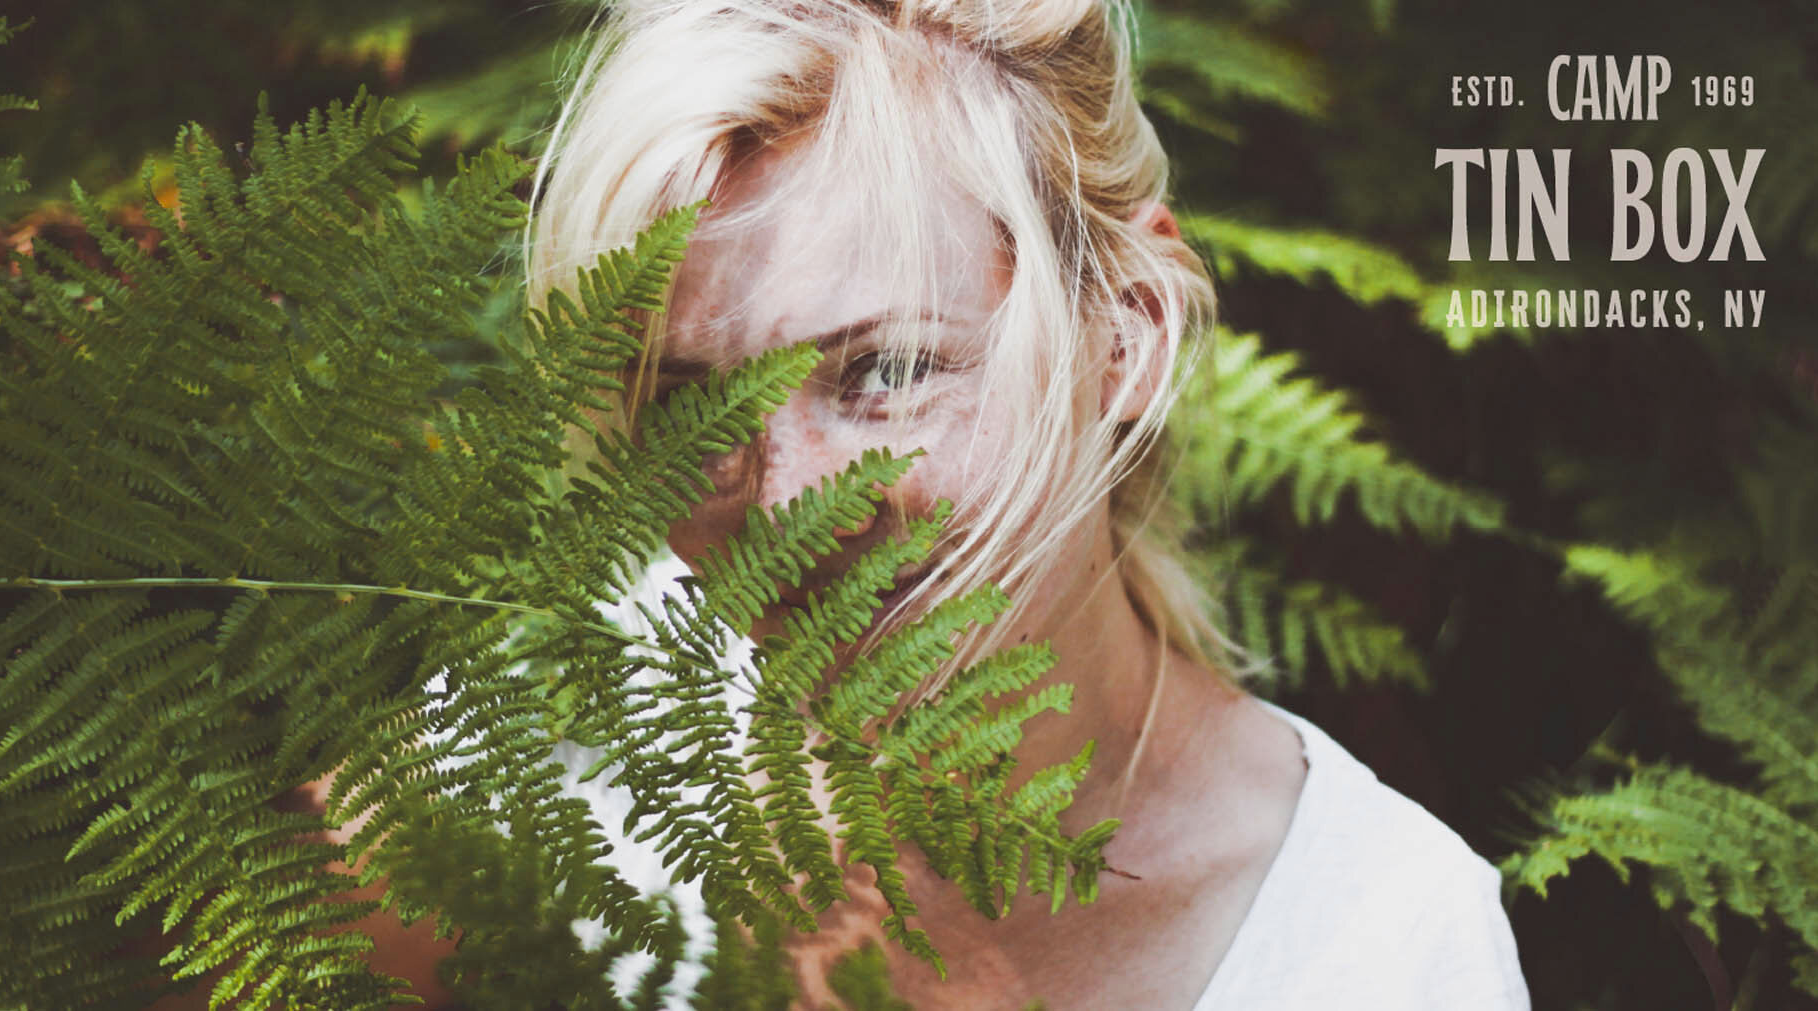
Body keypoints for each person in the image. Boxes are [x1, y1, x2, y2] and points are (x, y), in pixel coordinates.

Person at [524, 0, 1531, 1007]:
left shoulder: (1387, 945)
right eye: (689, 405)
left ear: (1125, 335)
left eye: (887, 369)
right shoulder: (556, 751)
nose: (786, 509)